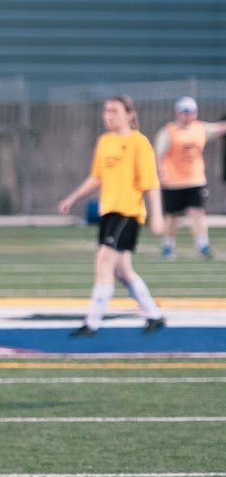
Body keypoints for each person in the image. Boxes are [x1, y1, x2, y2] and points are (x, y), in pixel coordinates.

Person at [58, 95, 166, 336]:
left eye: (115, 111)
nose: (109, 116)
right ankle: (154, 316)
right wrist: (72, 198)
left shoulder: (139, 143)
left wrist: (157, 216)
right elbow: (97, 177)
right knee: (122, 270)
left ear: (129, 114)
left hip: (128, 212)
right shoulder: (105, 141)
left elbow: (151, 182)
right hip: (108, 212)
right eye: (106, 111)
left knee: (104, 261)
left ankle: (92, 323)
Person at [155, 96, 225, 260]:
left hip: (195, 180)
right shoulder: (168, 131)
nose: (187, 116)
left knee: (197, 213)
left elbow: (219, 128)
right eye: (184, 112)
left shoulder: (200, 128)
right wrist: (161, 174)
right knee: (172, 216)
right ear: (178, 113)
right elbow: (159, 155)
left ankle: (203, 245)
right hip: (174, 182)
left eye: (191, 112)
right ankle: (168, 245)